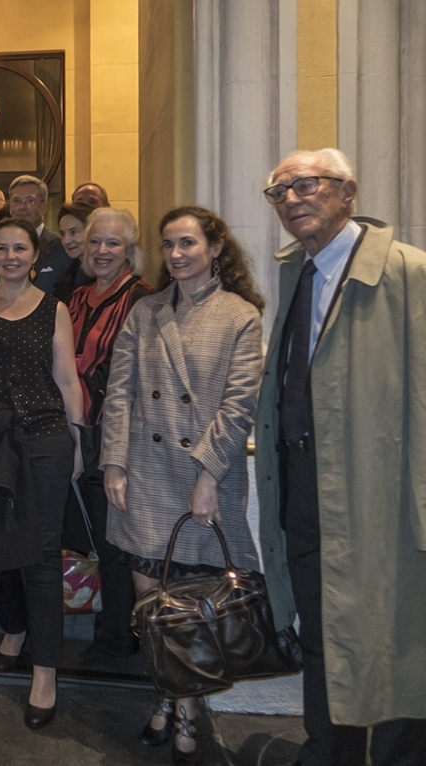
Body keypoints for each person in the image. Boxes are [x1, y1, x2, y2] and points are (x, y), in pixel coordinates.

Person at [255, 148, 426, 766]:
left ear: (347, 190)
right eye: (280, 191)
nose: (292, 199)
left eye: (307, 184)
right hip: (304, 481)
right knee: (321, 627)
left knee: (399, 632)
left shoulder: (408, 273)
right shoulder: (296, 273)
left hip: (379, 486)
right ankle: (330, 751)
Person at [101, 205, 264, 765]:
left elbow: (239, 406)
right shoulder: (145, 311)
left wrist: (209, 477)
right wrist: (113, 462)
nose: (175, 254)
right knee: (153, 607)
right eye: (168, 244)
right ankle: (170, 696)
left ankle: (186, 708)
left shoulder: (240, 315)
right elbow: (119, 391)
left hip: (201, 477)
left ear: (215, 248)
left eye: (187, 243)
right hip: (144, 474)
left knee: (191, 608)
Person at [0, 217, 84, 730]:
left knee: (41, 555)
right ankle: (15, 627)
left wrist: (78, 442)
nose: (10, 256)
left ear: (34, 255)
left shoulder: (55, 309)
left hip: (45, 439)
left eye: (19, 248)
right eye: (1, 248)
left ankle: (45, 672)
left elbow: (67, 379)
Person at [62, 206, 152, 658]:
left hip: (116, 435)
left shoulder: (143, 300)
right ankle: (98, 624)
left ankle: (118, 635)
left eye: (113, 242)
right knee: (87, 534)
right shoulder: (78, 298)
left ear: (129, 250)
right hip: (73, 430)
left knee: (114, 537)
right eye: (95, 241)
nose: (102, 250)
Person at [8, 175, 73, 296]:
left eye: (30, 201)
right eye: (16, 201)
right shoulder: (2, 247)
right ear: (10, 208)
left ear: (44, 207)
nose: (22, 207)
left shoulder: (61, 246)